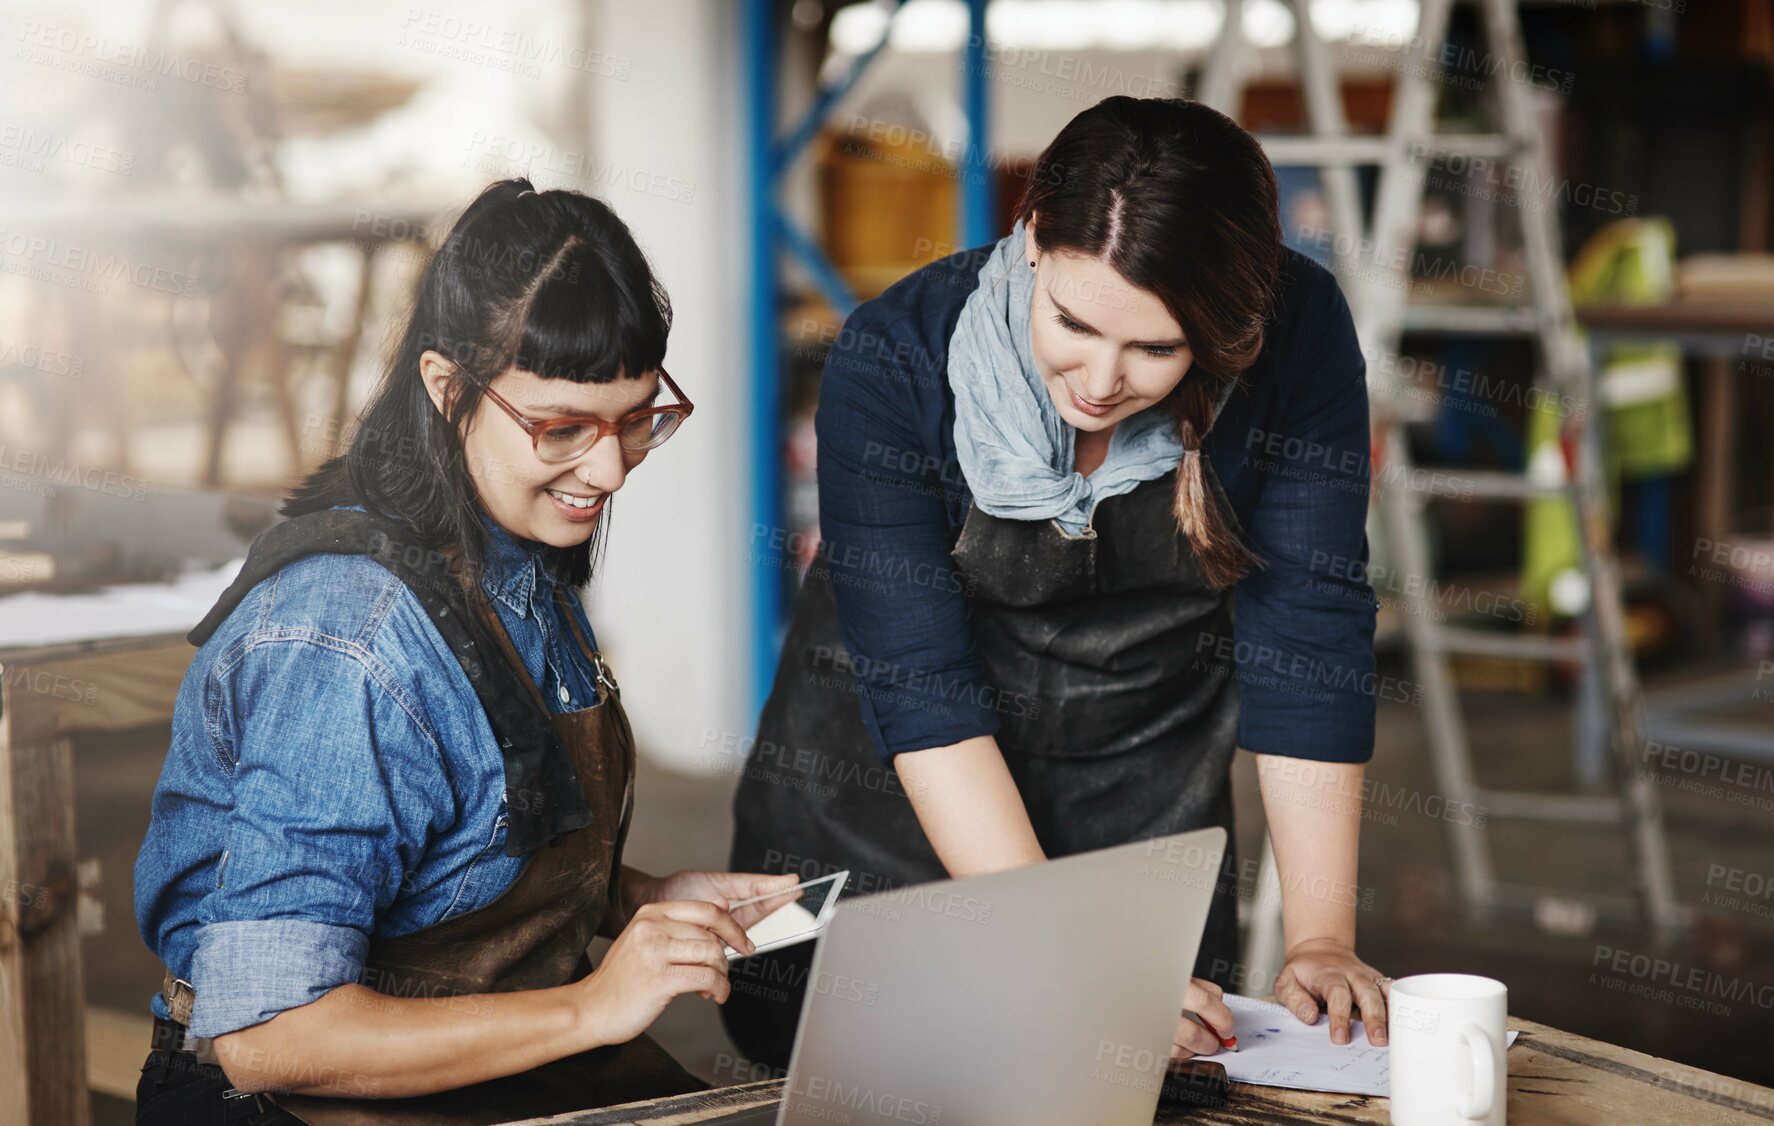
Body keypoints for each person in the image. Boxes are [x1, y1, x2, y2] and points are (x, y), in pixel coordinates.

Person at [726, 96, 1388, 1066]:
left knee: (1127, 1081)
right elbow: (921, 691)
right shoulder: (896, 357)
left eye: (1156, 348)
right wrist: (1073, 963)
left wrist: (1321, 939)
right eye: (1072, 323)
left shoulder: (1298, 338)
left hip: (1135, 809)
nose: (1100, 379)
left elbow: (1309, 640)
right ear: (1032, 236)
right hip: (884, 810)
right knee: (864, 1081)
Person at [134, 178, 798, 1125]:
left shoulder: (515, 560)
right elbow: (267, 1033)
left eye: (637, 418)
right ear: (448, 390)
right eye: (561, 429)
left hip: (496, 1064)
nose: (608, 470)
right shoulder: (347, 644)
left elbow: (466, 855)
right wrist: (588, 1005)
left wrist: (639, 899)